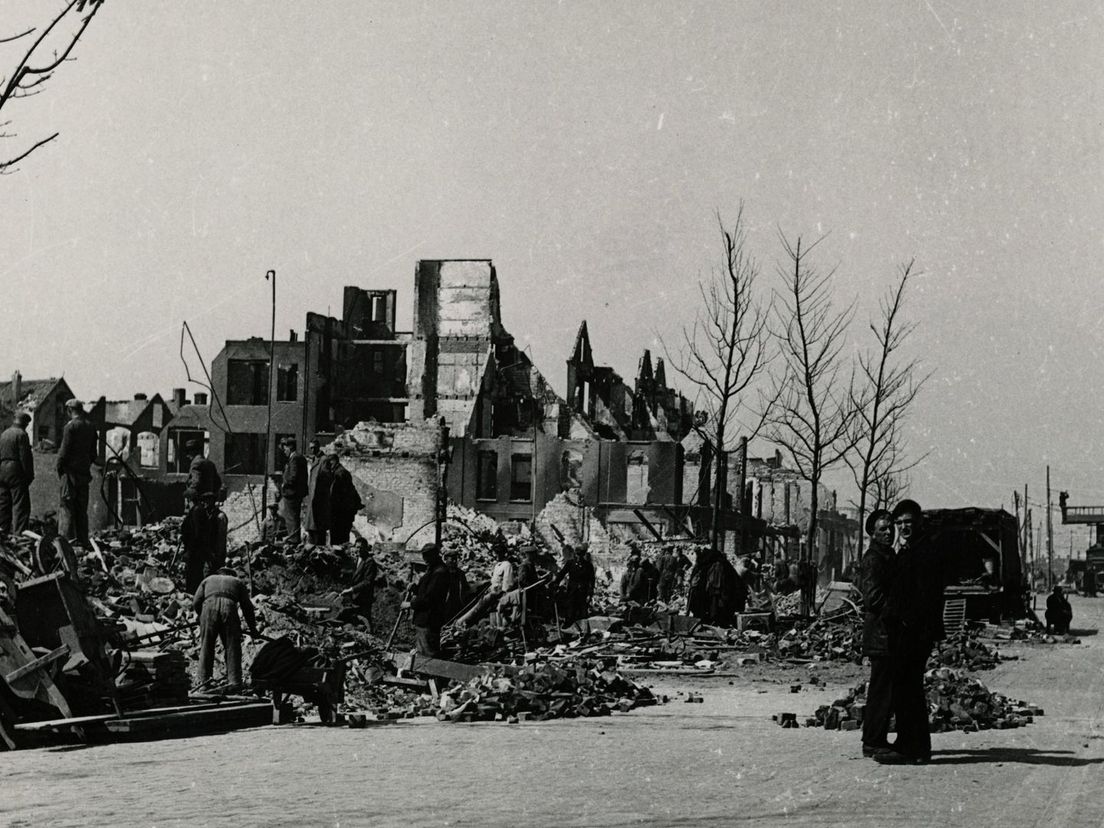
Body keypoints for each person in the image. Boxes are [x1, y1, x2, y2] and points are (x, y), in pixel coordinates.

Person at [874, 499, 945, 766]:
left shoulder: (924, 551)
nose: (904, 527)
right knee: (907, 687)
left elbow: (924, 597)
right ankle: (912, 745)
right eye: (900, 522)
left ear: (919, 523)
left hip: (914, 631)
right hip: (910, 630)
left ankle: (911, 748)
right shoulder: (911, 549)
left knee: (908, 687)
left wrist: (903, 621)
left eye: (909, 522)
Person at [859, 509, 896, 759]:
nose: (889, 532)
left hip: (887, 635)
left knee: (886, 690)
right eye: (883, 529)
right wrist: (899, 611)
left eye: (890, 528)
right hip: (881, 635)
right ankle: (872, 742)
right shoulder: (873, 558)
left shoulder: (887, 555)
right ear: (872, 533)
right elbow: (873, 598)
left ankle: (878, 738)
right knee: (881, 691)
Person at [193, 566, 259, 690]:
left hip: (209, 606)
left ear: (219, 572)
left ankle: (203, 682)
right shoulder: (237, 582)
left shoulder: (208, 579)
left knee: (207, 645)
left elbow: (196, 601)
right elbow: (247, 607)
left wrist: (201, 616)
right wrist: (253, 629)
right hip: (230, 607)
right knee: (232, 647)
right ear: (232, 574)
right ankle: (234, 683)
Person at [56, 399, 97, 546]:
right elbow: (94, 454)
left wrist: (60, 469)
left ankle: (65, 543)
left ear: (69, 410)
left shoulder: (70, 427)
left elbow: (63, 452)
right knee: (81, 509)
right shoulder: (90, 426)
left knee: (66, 507)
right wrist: (84, 465)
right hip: (84, 474)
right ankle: (82, 541)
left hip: (70, 474)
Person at [408, 543, 451, 656]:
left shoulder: (439, 573)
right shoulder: (433, 570)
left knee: (427, 655)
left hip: (429, 620)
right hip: (425, 620)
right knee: (423, 652)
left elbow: (429, 599)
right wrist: (415, 588)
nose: (425, 559)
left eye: (427, 556)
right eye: (424, 556)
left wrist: (410, 604)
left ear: (435, 555)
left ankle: (427, 673)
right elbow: (425, 592)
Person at [182, 493, 228, 593]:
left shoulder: (220, 516)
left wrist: (217, 554)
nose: (205, 503)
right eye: (204, 501)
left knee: (215, 577)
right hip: (208, 552)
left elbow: (221, 538)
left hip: (215, 553)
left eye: (208, 501)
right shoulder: (207, 514)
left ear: (213, 501)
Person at [0, 412, 34, 535]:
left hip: (2, 470)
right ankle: (19, 536)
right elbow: (25, 458)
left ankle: (2, 533)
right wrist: (29, 475)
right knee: (21, 505)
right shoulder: (22, 434)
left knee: (3, 504)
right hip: (15, 470)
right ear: (24, 423)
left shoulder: (4, 434)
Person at [341, 539, 379, 631]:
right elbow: (355, 575)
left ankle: (370, 638)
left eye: (362, 548)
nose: (359, 550)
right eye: (357, 547)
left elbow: (367, 582)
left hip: (364, 598)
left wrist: (352, 589)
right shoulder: (358, 559)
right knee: (357, 621)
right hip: (356, 597)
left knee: (365, 621)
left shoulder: (369, 562)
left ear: (366, 548)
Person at [327, 454, 363, 545]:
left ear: (334, 461)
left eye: (330, 462)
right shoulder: (339, 472)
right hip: (343, 513)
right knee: (340, 538)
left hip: (341, 513)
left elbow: (339, 495)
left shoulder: (340, 474)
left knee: (339, 539)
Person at [277, 438, 308, 542]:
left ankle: (293, 540)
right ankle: (293, 538)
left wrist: (283, 484)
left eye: (285, 448)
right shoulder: (298, 457)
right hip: (295, 493)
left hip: (291, 493)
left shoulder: (294, 458)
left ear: (290, 447)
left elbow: (293, 477)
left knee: (291, 518)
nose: (284, 451)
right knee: (292, 517)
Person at [303, 449, 335, 545]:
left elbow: (327, 479)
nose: (312, 450)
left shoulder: (324, 460)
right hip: (312, 500)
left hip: (319, 501)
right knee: (312, 531)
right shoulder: (315, 460)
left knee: (318, 531)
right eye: (311, 448)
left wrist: (320, 495)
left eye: (314, 448)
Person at [184, 439, 221, 505]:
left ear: (193, 452)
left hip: (199, 501)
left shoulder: (196, 463)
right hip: (210, 501)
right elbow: (218, 482)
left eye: (188, 452)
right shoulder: (210, 463)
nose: (187, 456)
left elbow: (196, 482)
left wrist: (187, 493)